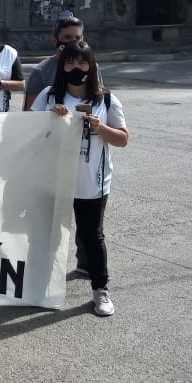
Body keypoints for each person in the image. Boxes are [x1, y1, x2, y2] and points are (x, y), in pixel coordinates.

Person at [31, 41, 128, 317]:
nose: (77, 68)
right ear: (62, 66)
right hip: (53, 180)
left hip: (91, 183)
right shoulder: (49, 96)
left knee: (91, 236)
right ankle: (41, 284)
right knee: (47, 233)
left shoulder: (106, 100)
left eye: (82, 63)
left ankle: (100, 290)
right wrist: (49, 120)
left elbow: (123, 139)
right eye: (70, 63)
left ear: (92, 65)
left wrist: (101, 127)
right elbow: (27, 134)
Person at [23, 17, 87, 111]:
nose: (73, 42)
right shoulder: (40, 72)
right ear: (54, 40)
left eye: (77, 38)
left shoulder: (91, 68)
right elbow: (29, 114)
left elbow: (100, 101)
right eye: (67, 37)